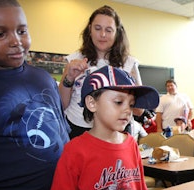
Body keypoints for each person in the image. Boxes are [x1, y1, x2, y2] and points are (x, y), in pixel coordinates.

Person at [0, 0, 70, 190]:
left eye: (22, 31)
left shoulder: (43, 77)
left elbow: (60, 129)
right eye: (0, 34)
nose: (16, 41)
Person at [47, 66, 159, 190]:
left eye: (131, 104)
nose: (127, 110)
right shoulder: (74, 150)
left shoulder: (131, 143)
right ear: (92, 103)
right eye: (119, 102)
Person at [59, 5, 142, 139]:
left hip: (115, 132)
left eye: (109, 30)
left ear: (117, 33)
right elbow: (61, 104)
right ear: (90, 29)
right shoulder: (74, 60)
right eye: (97, 28)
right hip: (77, 128)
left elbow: (139, 110)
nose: (102, 34)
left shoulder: (129, 64)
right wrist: (69, 78)